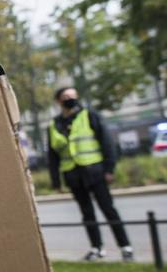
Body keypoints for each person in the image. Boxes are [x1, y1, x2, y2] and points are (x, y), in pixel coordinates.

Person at [48, 87, 134, 262]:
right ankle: (96, 248)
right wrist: (56, 181)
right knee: (87, 213)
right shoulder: (53, 125)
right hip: (73, 175)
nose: (70, 99)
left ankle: (125, 248)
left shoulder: (89, 116)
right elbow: (52, 156)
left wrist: (109, 169)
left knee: (108, 210)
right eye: (66, 97)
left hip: (95, 172)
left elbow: (107, 142)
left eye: (73, 96)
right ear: (58, 101)